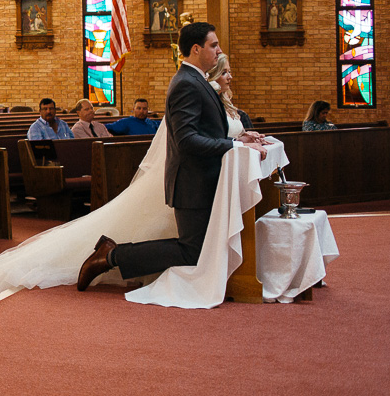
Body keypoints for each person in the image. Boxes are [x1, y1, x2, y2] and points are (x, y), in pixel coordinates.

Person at [76, 24, 270, 298]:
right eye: (214, 45)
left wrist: (240, 136)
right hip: (192, 182)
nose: (219, 50)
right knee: (191, 250)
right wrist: (234, 144)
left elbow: (208, 129)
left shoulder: (198, 80)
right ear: (196, 49)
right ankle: (110, 255)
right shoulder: (186, 84)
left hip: (205, 178)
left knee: (197, 249)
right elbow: (187, 140)